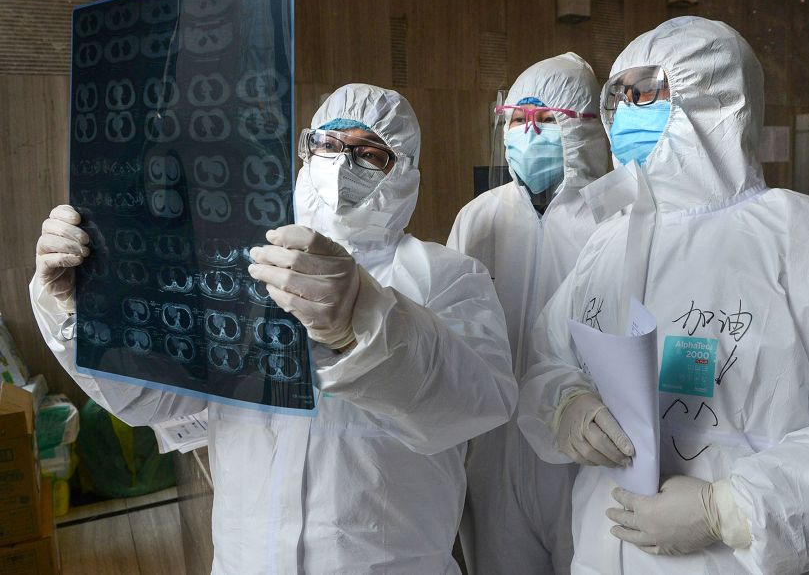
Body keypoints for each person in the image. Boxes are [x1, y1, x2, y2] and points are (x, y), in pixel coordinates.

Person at [32, 83, 518, 574]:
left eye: (369, 154)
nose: (342, 163)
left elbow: (473, 405)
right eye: (327, 145)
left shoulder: (445, 275)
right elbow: (155, 401)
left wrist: (361, 319)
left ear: (406, 171)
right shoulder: (237, 268)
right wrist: (90, 308)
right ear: (306, 152)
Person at [518, 16, 809, 574]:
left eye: (646, 94)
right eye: (617, 99)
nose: (625, 114)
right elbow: (548, 357)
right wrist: (567, 404)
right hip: (601, 543)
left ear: (712, 99)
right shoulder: (610, 243)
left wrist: (730, 509)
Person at [447, 52, 610, 574]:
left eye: (546, 120)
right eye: (519, 119)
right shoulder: (480, 218)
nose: (529, 132)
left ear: (583, 130)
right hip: (491, 454)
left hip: (586, 453)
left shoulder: (618, 218)